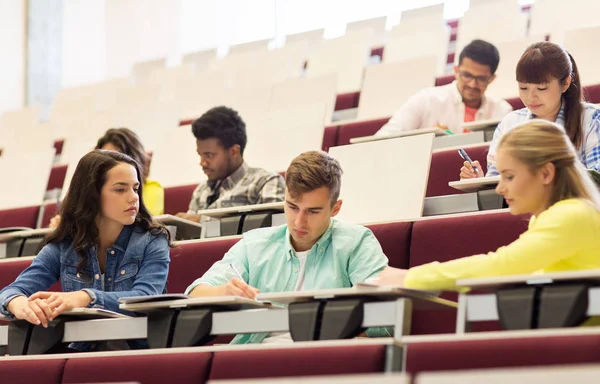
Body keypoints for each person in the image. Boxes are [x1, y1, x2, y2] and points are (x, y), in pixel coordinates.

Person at [185, 151, 389, 343]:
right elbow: (194, 293)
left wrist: (335, 325)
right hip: (252, 359)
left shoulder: (357, 242)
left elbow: (386, 320)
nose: (299, 222)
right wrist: (222, 292)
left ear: (335, 208)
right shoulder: (254, 244)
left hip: (322, 360)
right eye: (292, 207)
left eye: (313, 211)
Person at [374, 120, 600, 290]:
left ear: (546, 173)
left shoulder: (571, 215)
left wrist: (409, 277)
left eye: (509, 176)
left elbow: (502, 266)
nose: (500, 189)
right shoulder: (556, 215)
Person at [0, 150, 171, 351]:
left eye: (135, 188)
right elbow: (11, 292)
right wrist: (20, 304)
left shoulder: (154, 240)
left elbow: (144, 297)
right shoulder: (64, 245)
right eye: (120, 190)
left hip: (137, 351)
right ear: (91, 194)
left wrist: (86, 297)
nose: (133, 198)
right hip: (79, 351)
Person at [460, 41, 600, 179]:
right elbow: (497, 181)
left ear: (565, 83)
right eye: (523, 88)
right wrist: (481, 180)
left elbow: (596, 179)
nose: (531, 97)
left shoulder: (591, 119)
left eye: (541, 88)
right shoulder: (510, 124)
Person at [376, 39, 512, 136]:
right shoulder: (427, 99)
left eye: (481, 79)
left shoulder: (502, 111)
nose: (472, 84)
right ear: (456, 70)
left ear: (492, 79)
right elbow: (385, 137)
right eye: (467, 75)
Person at [176, 106, 285, 223]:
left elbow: (272, 229)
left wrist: (202, 221)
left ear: (234, 152)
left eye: (209, 155)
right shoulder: (201, 190)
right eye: (200, 155)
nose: (202, 162)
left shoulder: (265, 181)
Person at [49, 127, 164, 229]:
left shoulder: (153, 188)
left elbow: (139, 222)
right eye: (106, 157)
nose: (113, 162)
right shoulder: (93, 191)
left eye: (119, 156)